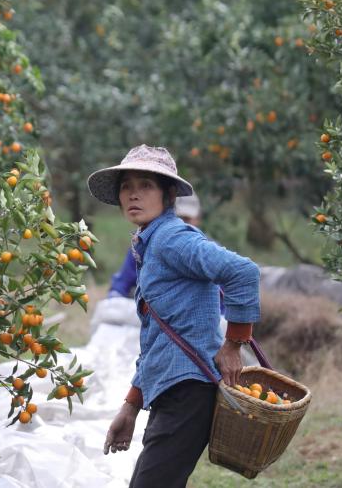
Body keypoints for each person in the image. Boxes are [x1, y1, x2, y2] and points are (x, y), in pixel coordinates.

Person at [91, 145, 260, 488]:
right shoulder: (148, 244)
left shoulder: (171, 238)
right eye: (126, 186)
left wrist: (234, 345)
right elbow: (159, 338)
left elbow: (242, 272)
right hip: (173, 390)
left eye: (146, 185)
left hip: (189, 392)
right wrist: (130, 406)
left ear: (168, 195)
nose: (133, 194)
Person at [108, 193, 202, 299]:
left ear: (197, 219)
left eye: (186, 219)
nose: (180, 224)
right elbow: (121, 284)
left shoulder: (207, 252)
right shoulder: (142, 246)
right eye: (177, 218)